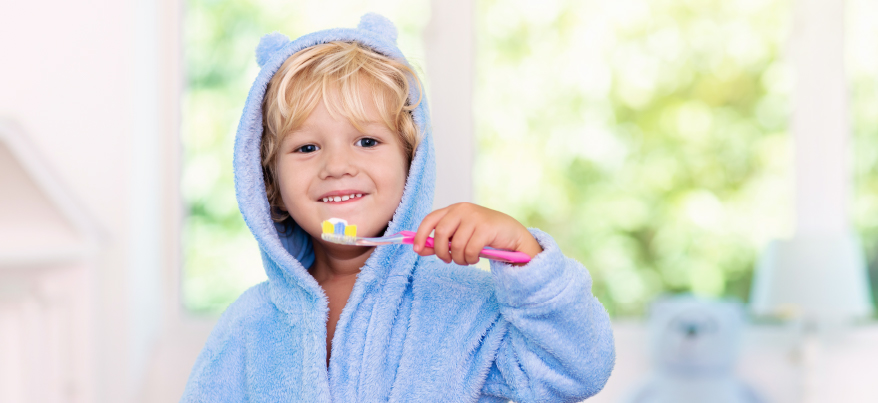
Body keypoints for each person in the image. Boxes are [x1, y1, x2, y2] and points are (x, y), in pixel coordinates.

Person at [181, 13, 615, 402]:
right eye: (307, 147)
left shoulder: (462, 305)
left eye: (367, 141)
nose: (337, 166)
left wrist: (526, 257)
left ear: (412, 162)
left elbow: (576, 371)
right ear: (270, 184)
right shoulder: (248, 327)